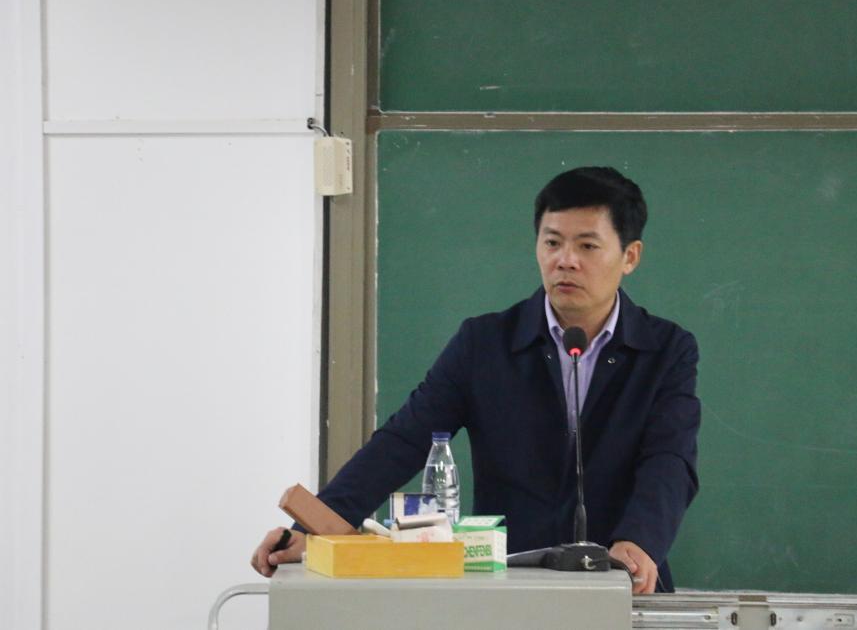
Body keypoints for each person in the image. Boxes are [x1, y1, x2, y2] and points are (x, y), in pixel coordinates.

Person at [252, 166, 701, 594]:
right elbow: (403, 441)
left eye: (587, 246)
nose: (565, 261)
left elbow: (669, 458)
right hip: (510, 583)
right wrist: (311, 527)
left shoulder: (665, 350)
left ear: (630, 256)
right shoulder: (485, 344)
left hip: (623, 580)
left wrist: (640, 541)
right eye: (552, 242)